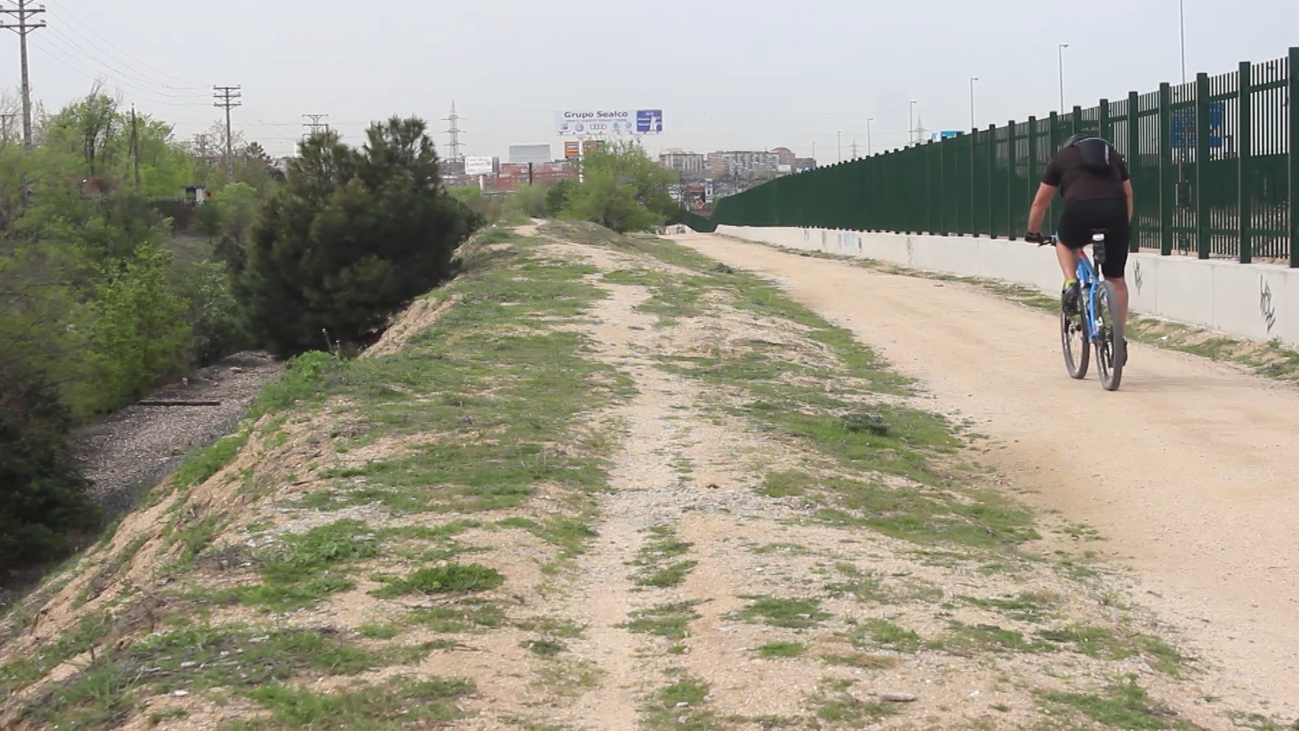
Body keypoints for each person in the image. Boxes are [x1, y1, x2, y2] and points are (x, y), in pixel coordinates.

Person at [1026, 133, 1134, 363]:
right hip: (1115, 212)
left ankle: (1071, 282)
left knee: (1064, 241)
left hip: (1079, 210)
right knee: (1116, 278)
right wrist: (1122, 225)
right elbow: (1128, 196)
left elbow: (1040, 202)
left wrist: (1032, 233)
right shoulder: (1112, 155)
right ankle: (1118, 338)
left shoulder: (1061, 158)